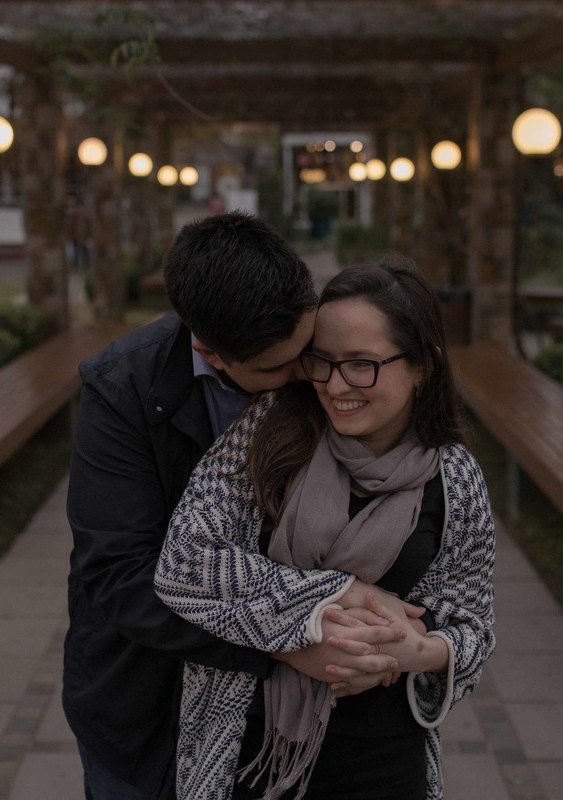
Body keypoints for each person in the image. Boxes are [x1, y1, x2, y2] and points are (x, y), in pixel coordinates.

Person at [63, 213, 407, 800]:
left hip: (276, 728)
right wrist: (290, 637)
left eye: (310, 351)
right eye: (279, 367)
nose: (310, 376)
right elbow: (119, 577)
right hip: (146, 707)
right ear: (211, 353)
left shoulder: (320, 360)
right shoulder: (122, 391)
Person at [155, 257, 497, 800]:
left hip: (386, 763)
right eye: (322, 362)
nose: (336, 386)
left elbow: (473, 622)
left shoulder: (453, 476)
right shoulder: (268, 434)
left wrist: (417, 653)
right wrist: (329, 601)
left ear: (423, 365)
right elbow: (184, 563)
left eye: (361, 364)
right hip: (250, 756)